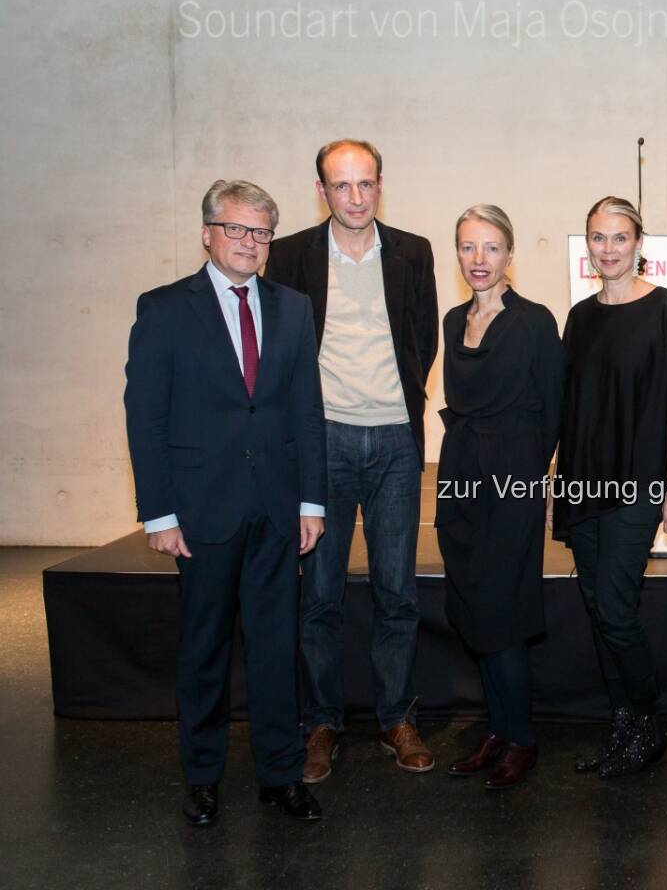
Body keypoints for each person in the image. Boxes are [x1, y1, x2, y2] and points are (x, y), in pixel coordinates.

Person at [124, 179, 326, 825]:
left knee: (275, 649)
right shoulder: (162, 308)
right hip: (199, 511)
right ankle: (202, 777)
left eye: (261, 231)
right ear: (208, 232)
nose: (249, 242)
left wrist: (312, 503)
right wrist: (159, 513)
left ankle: (279, 774)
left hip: (275, 508)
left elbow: (307, 412)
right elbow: (144, 416)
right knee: (204, 648)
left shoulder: (293, 308)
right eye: (237, 229)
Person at [266, 139, 439, 782]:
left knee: (398, 591)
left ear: (381, 184)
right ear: (322, 191)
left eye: (366, 184)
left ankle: (397, 715)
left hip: (396, 441)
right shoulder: (289, 257)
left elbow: (423, 336)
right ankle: (322, 723)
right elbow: (283, 349)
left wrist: (403, 400)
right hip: (324, 442)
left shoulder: (413, 252)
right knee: (320, 594)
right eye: (342, 186)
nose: (356, 198)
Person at [553, 195, 667, 778]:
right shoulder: (580, 317)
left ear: (639, 244)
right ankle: (623, 722)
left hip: (639, 484)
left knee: (615, 607)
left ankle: (647, 722)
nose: (608, 248)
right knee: (596, 606)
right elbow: (572, 409)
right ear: (587, 243)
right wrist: (553, 484)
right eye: (598, 237)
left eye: (619, 237)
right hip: (582, 481)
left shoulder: (665, 307)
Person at [434, 204, 566, 789]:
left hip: (513, 477)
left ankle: (522, 739)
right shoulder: (450, 318)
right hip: (460, 471)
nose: (479, 260)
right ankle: (497, 727)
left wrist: (532, 480)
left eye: (491, 248)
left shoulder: (535, 321)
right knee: (470, 603)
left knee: (501, 609)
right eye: (468, 247)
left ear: (510, 255)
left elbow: (554, 409)